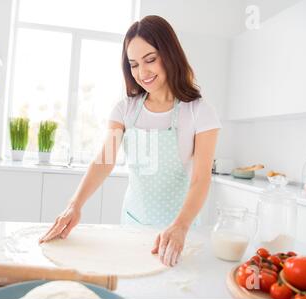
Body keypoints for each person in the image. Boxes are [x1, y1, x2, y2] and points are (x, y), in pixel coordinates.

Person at [39, 15, 221, 267]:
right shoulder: (125, 110)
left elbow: (201, 179)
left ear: (169, 54)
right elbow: (104, 160)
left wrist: (180, 226)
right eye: (133, 64)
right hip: (132, 226)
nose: (142, 72)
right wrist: (74, 205)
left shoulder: (199, 112)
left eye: (150, 60)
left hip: (179, 231)